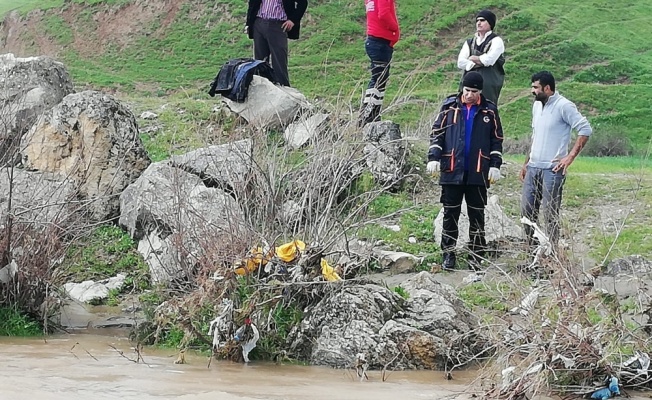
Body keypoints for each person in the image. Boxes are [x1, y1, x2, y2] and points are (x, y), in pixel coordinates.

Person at [427, 71, 504, 270]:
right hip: (452, 168)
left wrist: (495, 164)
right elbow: (437, 133)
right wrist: (433, 158)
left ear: (480, 92)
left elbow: (496, 139)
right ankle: (448, 254)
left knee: (477, 214)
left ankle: (477, 255)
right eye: (467, 90)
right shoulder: (449, 106)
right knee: (450, 213)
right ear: (462, 88)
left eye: (474, 91)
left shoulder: (489, 111)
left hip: (478, 171)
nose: (470, 95)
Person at [520, 71, 592, 251]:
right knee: (527, 212)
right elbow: (535, 136)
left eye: (535, 87)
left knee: (550, 214)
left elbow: (585, 129)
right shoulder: (537, 106)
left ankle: (552, 253)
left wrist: (570, 157)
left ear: (547, 88)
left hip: (552, 170)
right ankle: (533, 251)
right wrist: (526, 162)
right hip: (533, 167)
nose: (532, 91)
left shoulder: (564, 106)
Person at [246, 0, 308, 87]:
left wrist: (293, 20)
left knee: (279, 62)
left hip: (278, 26)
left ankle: (283, 89)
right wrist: (249, 23)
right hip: (259, 23)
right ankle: (261, 88)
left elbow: (303, 3)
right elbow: (252, 2)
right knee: (260, 62)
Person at [358, 0, 400, 127]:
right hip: (380, 41)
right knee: (378, 78)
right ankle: (368, 114)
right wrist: (395, 28)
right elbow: (384, 13)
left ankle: (373, 112)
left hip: (375, 40)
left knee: (380, 78)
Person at [457, 10, 505, 105]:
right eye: (477, 20)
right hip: (468, 84)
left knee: (486, 108)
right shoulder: (469, 42)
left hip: (488, 85)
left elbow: (489, 60)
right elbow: (460, 63)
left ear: (490, 23)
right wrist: (477, 62)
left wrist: (471, 59)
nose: (478, 23)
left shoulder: (497, 41)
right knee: (463, 107)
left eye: (482, 20)